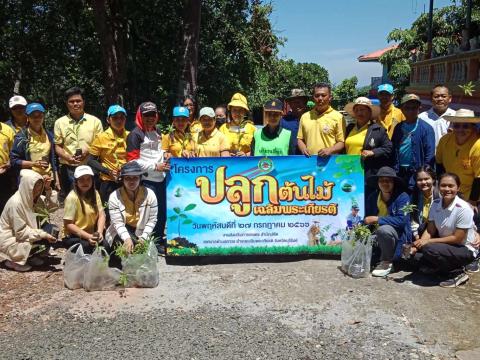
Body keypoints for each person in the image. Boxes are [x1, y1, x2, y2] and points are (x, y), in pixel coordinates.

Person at [412, 173, 479, 287]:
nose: (447, 189)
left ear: (458, 188)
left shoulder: (463, 208)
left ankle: (456, 273)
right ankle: (438, 266)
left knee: (429, 249)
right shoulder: (436, 204)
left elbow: (457, 239)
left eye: (450, 186)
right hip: (447, 245)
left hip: (464, 248)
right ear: (438, 187)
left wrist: (427, 243)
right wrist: (418, 245)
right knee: (414, 257)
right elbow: (430, 230)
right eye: (443, 185)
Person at [126, 102, 169, 244]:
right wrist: (155, 166)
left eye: (152, 114)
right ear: (140, 116)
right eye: (146, 115)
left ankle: (158, 240)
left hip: (161, 178)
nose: (150, 118)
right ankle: (146, 241)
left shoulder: (157, 131)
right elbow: (133, 162)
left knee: (162, 211)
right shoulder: (135, 134)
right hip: (147, 180)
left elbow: (157, 151)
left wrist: (166, 154)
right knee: (149, 213)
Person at [0, 170, 57, 272]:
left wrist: (48, 189)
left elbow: (52, 207)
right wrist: (42, 234)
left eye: (40, 188)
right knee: (44, 236)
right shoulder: (16, 203)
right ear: (27, 186)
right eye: (34, 188)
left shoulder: (34, 198)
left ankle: (29, 257)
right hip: (10, 238)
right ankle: (13, 261)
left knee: (51, 229)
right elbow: (21, 232)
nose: (37, 191)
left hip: (26, 232)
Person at [54, 87, 103, 200]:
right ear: (66, 104)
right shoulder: (59, 123)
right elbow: (57, 146)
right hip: (69, 168)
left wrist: (87, 152)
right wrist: (67, 157)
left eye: (78, 101)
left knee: (92, 200)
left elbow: (100, 145)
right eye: (71, 101)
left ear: (83, 102)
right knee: (73, 200)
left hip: (90, 167)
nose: (75, 104)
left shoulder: (95, 121)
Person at [364, 166, 412, 277]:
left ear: (393, 182)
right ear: (378, 183)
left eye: (388, 180)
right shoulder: (373, 197)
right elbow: (367, 218)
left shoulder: (403, 197)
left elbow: (402, 221)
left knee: (383, 230)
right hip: (376, 234)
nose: (385, 183)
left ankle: (387, 262)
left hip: (397, 235)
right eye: (382, 180)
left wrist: (377, 219)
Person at [105, 161, 157, 255]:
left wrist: (144, 237)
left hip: (141, 230)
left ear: (140, 179)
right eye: (127, 178)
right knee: (123, 249)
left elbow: (152, 220)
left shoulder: (150, 195)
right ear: (123, 180)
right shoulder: (114, 196)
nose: (131, 181)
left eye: (135, 178)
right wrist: (127, 238)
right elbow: (118, 223)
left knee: (143, 254)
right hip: (121, 230)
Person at [10, 103, 60, 189]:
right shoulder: (21, 136)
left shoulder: (49, 135)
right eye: (33, 116)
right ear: (28, 117)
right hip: (31, 181)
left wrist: (56, 178)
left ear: (43, 116)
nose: (37, 118)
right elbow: (14, 161)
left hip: (48, 180)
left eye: (40, 115)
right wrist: (33, 164)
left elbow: (53, 159)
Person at [392, 94, 435, 191]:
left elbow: (430, 154)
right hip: (400, 171)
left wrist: (424, 173)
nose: (411, 111)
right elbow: (394, 149)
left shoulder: (426, 128)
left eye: (414, 108)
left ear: (419, 108)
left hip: (417, 172)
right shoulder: (398, 127)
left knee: (415, 200)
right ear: (402, 109)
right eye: (407, 108)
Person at [436, 109, 480, 202]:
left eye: (465, 126)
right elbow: (439, 164)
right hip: (450, 191)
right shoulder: (444, 140)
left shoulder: (478, 145)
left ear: (473, 127)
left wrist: (473, 201)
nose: (460, 129)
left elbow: (478, 178)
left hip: (471, 194)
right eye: (457, 126)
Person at [88, 105, 129, 203]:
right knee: (108, 213)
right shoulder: (101, 138)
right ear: (108, 119)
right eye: (115, 118)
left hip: (129, 180)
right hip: (108, 181)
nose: (119, 121)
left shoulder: (131, 135)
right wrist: (108, 171)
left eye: (122, 117)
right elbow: (90, 160)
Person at [344, 97, 392, 179]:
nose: (359, 113)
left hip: (367, 172)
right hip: (349, 170)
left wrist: (373, 152)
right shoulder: (349, 128)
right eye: (357, 110)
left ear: (370, 112)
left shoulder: (378, 129)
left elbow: (389, 148)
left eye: (362, 110)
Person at [61, 165, 106, 253]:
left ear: (92, 181)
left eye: (88, 179)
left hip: (92, 232)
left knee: (106, 247)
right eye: (81, 179)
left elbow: (102, 214)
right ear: (76, 182)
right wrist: (88, 236)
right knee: (89, 248)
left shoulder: (95, 193)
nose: (85, 182)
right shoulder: (72, 198)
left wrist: (99, 232)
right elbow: (68, 225)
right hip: (74, 235)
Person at [297, 83, 345, 157]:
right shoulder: (305, 116)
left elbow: (341, 142)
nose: (320, 98)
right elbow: (300, 139)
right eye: (317, 96)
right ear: (313, 98)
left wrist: (330, 150)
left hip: (329, 163)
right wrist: (303, 148)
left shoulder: (338, 117)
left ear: (330, 97)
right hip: (309, 162)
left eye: (323, 95)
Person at [410, 166, 439, 240]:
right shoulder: (415, 196)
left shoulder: (440, 195)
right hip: (419, 232)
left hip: (437, 232)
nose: (423, 182)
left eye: (426, 179)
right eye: (419, 180)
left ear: (433, 179)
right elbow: (412, 219)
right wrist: (416, 235)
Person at [280, 89, 308, 154]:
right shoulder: (283, 121)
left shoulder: (312, 119)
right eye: (294, 102)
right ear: (290, 104)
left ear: (305, 103)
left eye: (300, 101)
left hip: (309, 160)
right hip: (290, 160)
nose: (297, 104)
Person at [0, 118, 16, 213]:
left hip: (5, 173)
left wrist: (10, 162)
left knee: (5, 204)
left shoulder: (7, 130)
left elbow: (14, 153)